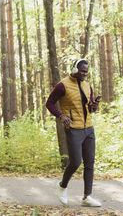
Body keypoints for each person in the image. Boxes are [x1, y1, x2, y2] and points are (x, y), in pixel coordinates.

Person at [46, 59, 101, 207]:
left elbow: (89, 109)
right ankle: (62, 187)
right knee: (76, 162)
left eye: (86, 72)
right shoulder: (62, 85)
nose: (84, 74)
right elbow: (49, 103)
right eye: (82, 71)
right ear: (75, 69)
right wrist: (61, 116)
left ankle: (87, 197)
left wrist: (94, 106)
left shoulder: (87, 86)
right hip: (73, 129)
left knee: (90, 163)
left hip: (88, 128)